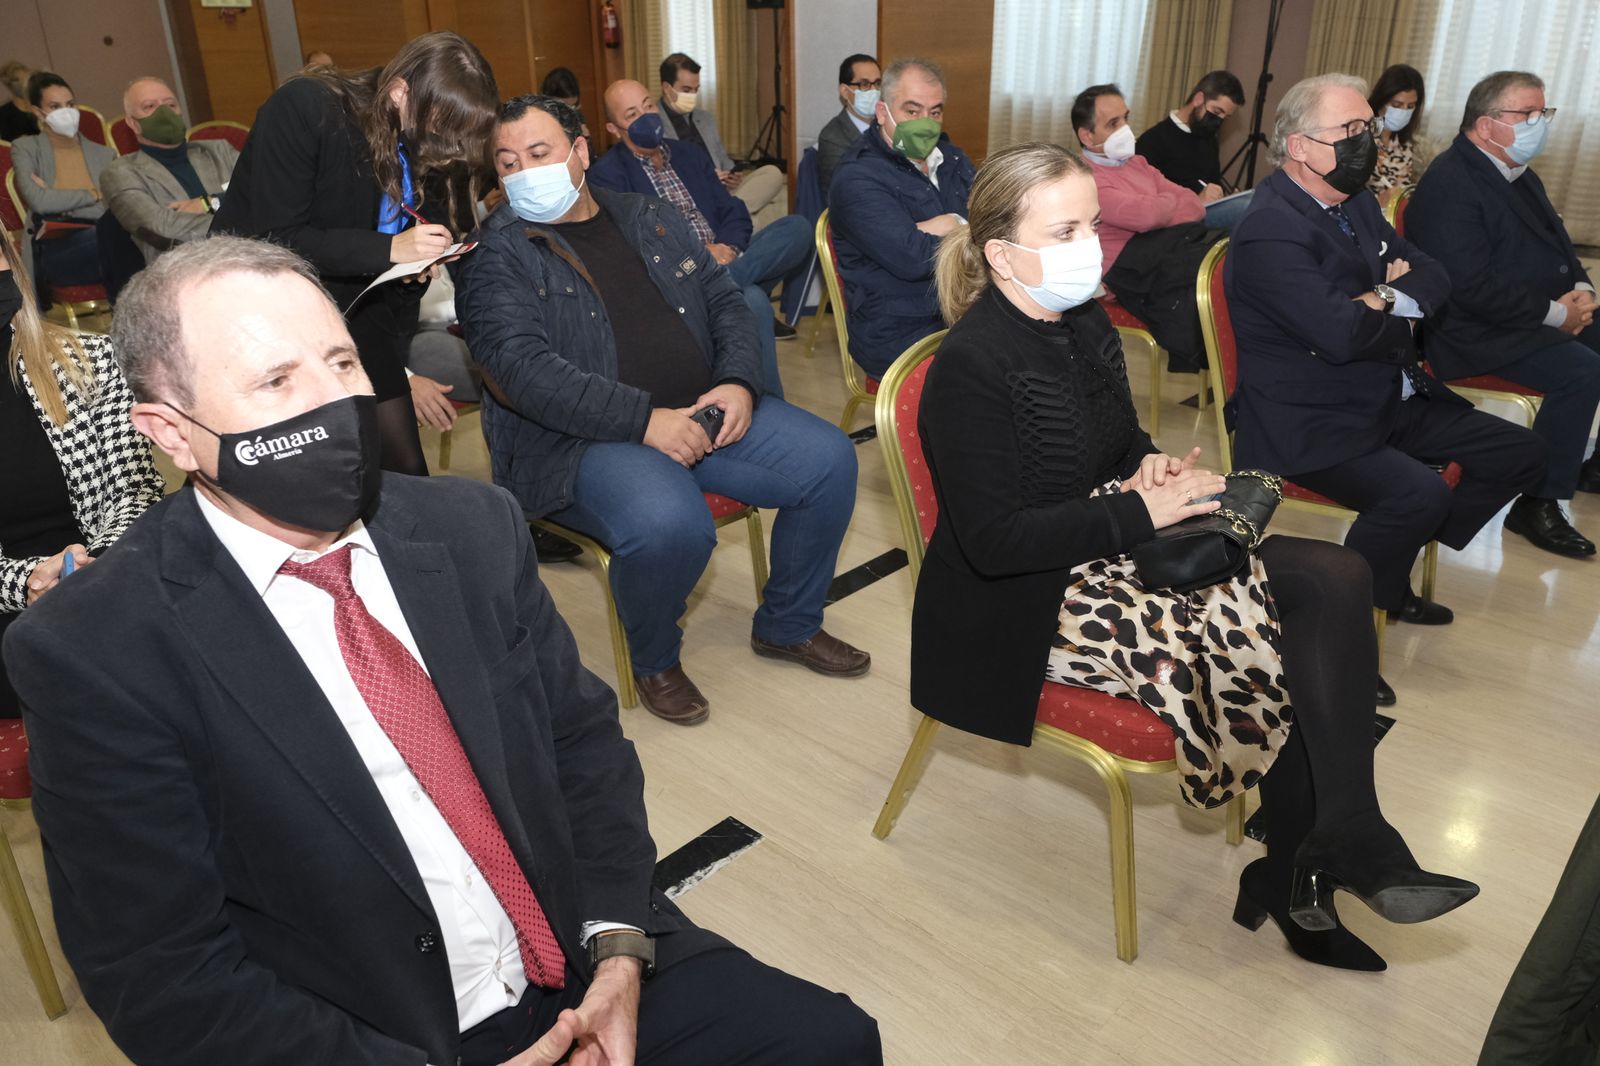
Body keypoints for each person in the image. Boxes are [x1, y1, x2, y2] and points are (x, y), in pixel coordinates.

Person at [2, 235, 882, 1066]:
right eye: (275, 381)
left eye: (341, 362)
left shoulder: (469, 527)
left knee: (832, 1039)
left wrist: (619, 951)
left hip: (583, 954)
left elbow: (582, 748)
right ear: (169, 431)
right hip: (370, 1032)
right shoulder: (97, 648)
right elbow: (161, 974)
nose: (331, 404)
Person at [914, 139, 1479, 973]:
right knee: (1286, 624)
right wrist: (1141, 507)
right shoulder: (972, 364)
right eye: (1065, 230)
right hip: (1027, 603)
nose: (1089, 248)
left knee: (1336, 575)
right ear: (1000, 253)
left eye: (1092, 226)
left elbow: (1115, 441)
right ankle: (1304, 871)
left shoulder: (1080, 320)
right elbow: (997, 545)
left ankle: (1335, 841)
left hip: (1105, 538)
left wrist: (1146, 465)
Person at [457, 95, 868, 726]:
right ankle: (654, 657)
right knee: (670, 524)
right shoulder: (497, 256)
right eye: (508, 163)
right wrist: (644, 421)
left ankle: (788, 624)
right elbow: (522, 374)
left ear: (580, 152)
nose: (523, 172)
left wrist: (737, 382)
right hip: (582, 441)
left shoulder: (648, 216)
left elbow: (727, 304)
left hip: (703, 409)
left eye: (538, 154)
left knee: (829, 460)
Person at [1226, 74, 1545, 704]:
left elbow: (1433, 273)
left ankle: (1387, 579)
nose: (1366, 141)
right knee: (1417, 495)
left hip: (1383, 390)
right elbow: (1343, 334)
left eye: (1366, 127)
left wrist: (1382, 298)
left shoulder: (1354, 200)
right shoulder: (1270, 229)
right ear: (1298, 147)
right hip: (1309, 418)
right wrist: (1393, 300)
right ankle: (1339, 639)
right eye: (1349, 131)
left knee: (1523, 452)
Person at [213, 31, 499, 478]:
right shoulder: (307, 108)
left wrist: (413, 268)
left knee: (404, 468)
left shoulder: (420, 137)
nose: (451, 148)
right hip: (265, 313)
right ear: (401, 92)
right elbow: (274, 237)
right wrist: (391, 249)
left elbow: (397, 239)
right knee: (319, 478)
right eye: (445, 129)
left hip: (356, 310)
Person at [1406, 70, 1600, 560]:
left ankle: (1592, 465)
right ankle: (1537, 502)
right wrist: (1558, 315)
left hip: (1523, 314)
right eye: (1527, 114)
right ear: (1487, 125)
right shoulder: (1450, 183)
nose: (1540, 123)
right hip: (1471, 331)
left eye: (1543, 113)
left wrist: (1581, 290)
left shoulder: (1515, 170)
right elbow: (1468, 288)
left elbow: (1560, 244)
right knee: (1582, 372)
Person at [0, 232, 164, 717]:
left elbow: (134, 488)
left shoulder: (89, 359)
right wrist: (27, 581)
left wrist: (93, 567)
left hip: (105, 578)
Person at [590, 78, 811, 398]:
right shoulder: (608, 175)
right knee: (752, 300)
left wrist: (728, 248)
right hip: (680, 274)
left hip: (726, 258)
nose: (645, 117)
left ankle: (722, 286)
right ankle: (772, 404)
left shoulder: (687, 154)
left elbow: (731, 209)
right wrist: (700, 253)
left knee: (797, 228)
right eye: (632, 114)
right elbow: (634, 244)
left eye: (648, 106)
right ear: (614, 128)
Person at [828, 57, 974, 379]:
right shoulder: (856, 177)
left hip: (961, 314)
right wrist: (961, 223)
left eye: (934, 112)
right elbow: (913, 257)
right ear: (883, 113)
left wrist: (949, 226)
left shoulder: (951, 157)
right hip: (901, 331)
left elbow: (993, 223)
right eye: (912, 110)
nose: (926, 122)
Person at [1075, 82, 1223, 373]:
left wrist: (1158, 205)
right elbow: (1144, 216)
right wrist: (1162, 202)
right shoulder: (1085, 178)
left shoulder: (1138, 163)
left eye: (1126, 118)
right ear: (1087, 135)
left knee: (1224, 254)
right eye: (1113, 123)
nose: (1125, 129)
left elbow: (1194, 207)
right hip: (1128, 270)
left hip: (1164, 251)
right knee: (1203, 269)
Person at [100, 76, 239, 265]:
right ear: (133, 123)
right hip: (181, 270)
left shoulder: (220, 150)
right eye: (149, 106)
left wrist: (210, 203)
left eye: (170, 105)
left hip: (248, 258)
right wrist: (242, 223)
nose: (164, 113)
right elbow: (162, 228)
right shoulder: (120, 172)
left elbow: (266, 194)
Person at [10, 71, 116, 300]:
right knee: (112, 235)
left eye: (70, 104)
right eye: (55, 106)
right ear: (38, 111)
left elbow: (116, 205)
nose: (66, 112)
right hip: (56, 249)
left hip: (104, 240)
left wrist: (59, 199)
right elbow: (39, 201)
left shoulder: (105, 155)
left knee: (122, 234)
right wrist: (95, 194)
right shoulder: (26, 149)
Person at [657, 53, 788, 232]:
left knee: (773, 174)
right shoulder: (655, 123)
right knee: (753, 222)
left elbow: (723, 159)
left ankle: (727, 217)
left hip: (723, 191)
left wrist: (733, 176)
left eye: (696, 89)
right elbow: (660, 177)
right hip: (691, 195)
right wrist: (704, 178)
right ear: (666, 87)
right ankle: (735, 218)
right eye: (686, 90)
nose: (693, 96)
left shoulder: (705, 118)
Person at [1135, 69, 1251, 227]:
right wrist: (1195, 202)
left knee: (1252, 205)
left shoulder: (1209, 140)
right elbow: (1146, 204)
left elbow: (1212, 183)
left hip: (1203, 218)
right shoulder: (1152, 141)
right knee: (1244, 210)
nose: (1219, 121)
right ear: (1198, 99)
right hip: (1174, 225)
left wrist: (1226, 197)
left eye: (1226, 117)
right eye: (1217, 112)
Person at [816, 53, 880, 195]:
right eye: (864, 84)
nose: (874, 91)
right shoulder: (832, 138)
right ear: (845, 92)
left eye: (877, 83)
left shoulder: (888, 126)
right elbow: (847, 190)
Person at [1366, 64, 1429, 206]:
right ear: (1381, 100)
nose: (1403, 111)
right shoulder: (1360, 135)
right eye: (1396, 104)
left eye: (1410, 106)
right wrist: (1379, 201)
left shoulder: (1406, 146)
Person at [0, 60, 39, 141]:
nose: (25, 84)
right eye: (18, 80)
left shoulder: (41, 104)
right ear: (9, 85)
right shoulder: (4, 114)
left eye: (27, 78)